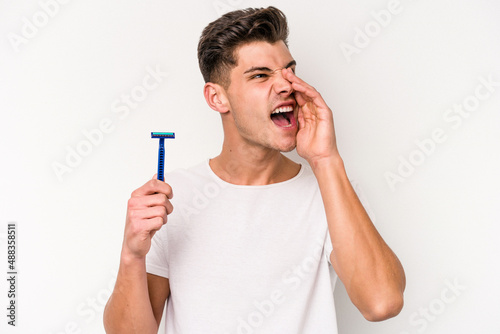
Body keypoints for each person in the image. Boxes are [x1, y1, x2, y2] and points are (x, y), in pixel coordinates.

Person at [103, 6, 405, 334]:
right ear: (217, 98)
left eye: (289, 70)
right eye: (261, 75)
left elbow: (381, 303)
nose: (286, 85)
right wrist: (132, 254)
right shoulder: (173, 197)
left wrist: (325, 159)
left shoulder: (330, 190)